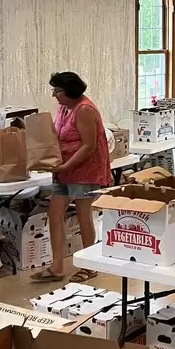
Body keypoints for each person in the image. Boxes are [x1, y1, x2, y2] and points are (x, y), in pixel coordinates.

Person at [32, 71, 111, 283]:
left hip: (85, 170)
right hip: (64, 170)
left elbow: (89, 145)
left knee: (84, 215)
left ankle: (90, 264)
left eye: (57, 91)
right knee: (54, 214)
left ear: (69, 91)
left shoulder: (84, 109)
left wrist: (67, 164)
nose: (54, 95)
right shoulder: (63, 108)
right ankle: (57, 266)